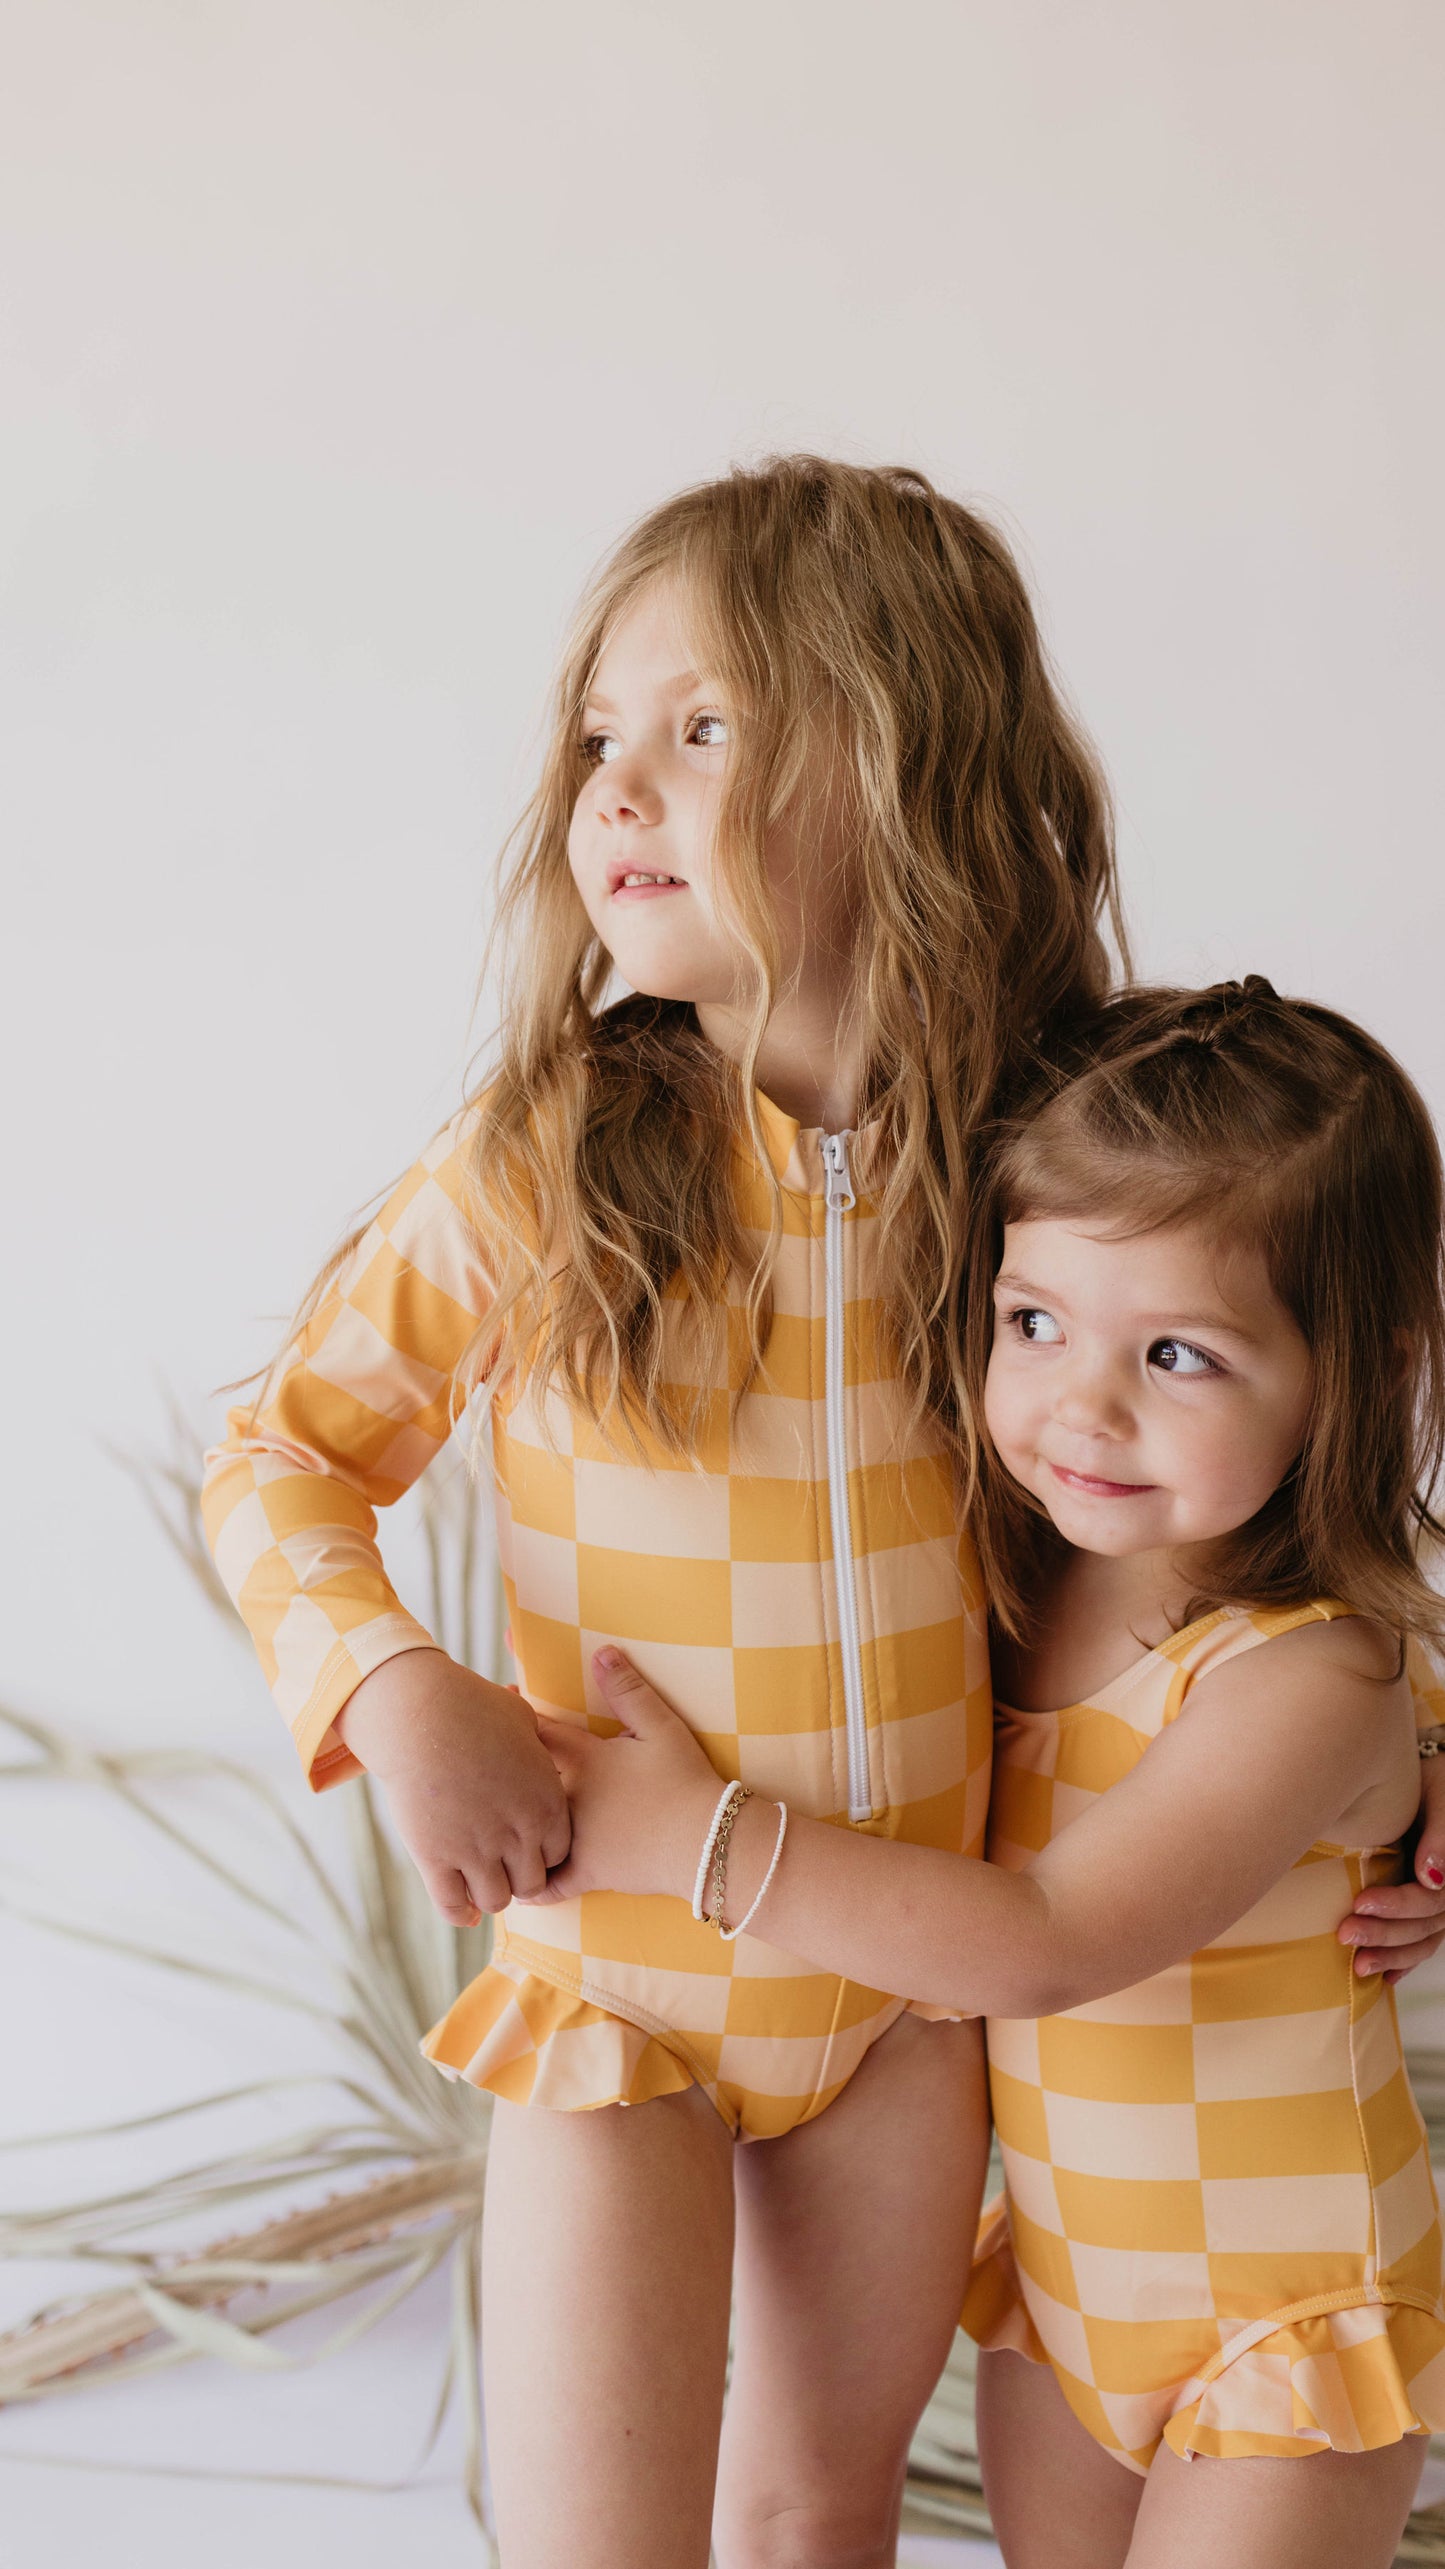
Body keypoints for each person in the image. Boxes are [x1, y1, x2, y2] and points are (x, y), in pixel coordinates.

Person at [202, 455, 1129, 2568]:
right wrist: (396, 1678)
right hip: (616, 1983)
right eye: (601, 737)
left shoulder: (1048, 1168)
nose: (617, 788)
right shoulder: (550, 1159)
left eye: (704, 729)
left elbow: (1215, 1513)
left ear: (913, 768)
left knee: (820, 2512)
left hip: (893, 1987)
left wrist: (1392, 1763)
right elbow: (276, 1456)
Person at [538, 978, 1445, 2568]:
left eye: (1176, 1352)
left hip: (1282, 2330)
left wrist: (698, 1840)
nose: (1078, 1406)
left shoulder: (1311, 1672)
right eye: (1033, 1322)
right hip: (1067, 2307)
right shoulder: (1012, 1573)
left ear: (1360, 1369)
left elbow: (1041, 1936)